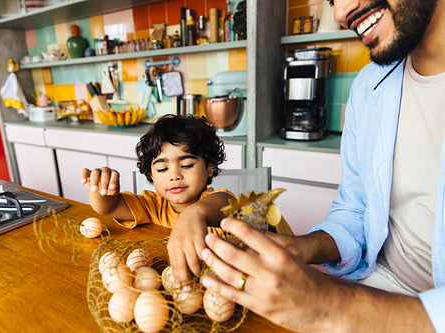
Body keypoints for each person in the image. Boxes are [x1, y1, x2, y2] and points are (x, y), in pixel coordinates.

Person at [198, 0, 445, 332]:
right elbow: (356, 210)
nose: (340, 13)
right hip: (379, 283)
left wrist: (329, 306)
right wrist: (302, 246)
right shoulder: (371, 85)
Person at [80, 114, 234, 279]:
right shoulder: (153, 205)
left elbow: (225, 203)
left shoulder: (215, 201)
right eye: (162, 168)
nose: (174, 175)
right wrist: (100, 189)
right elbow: (109, 207)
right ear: (151, 175)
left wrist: (193, 214)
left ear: (210, 168)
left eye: (187, 165)